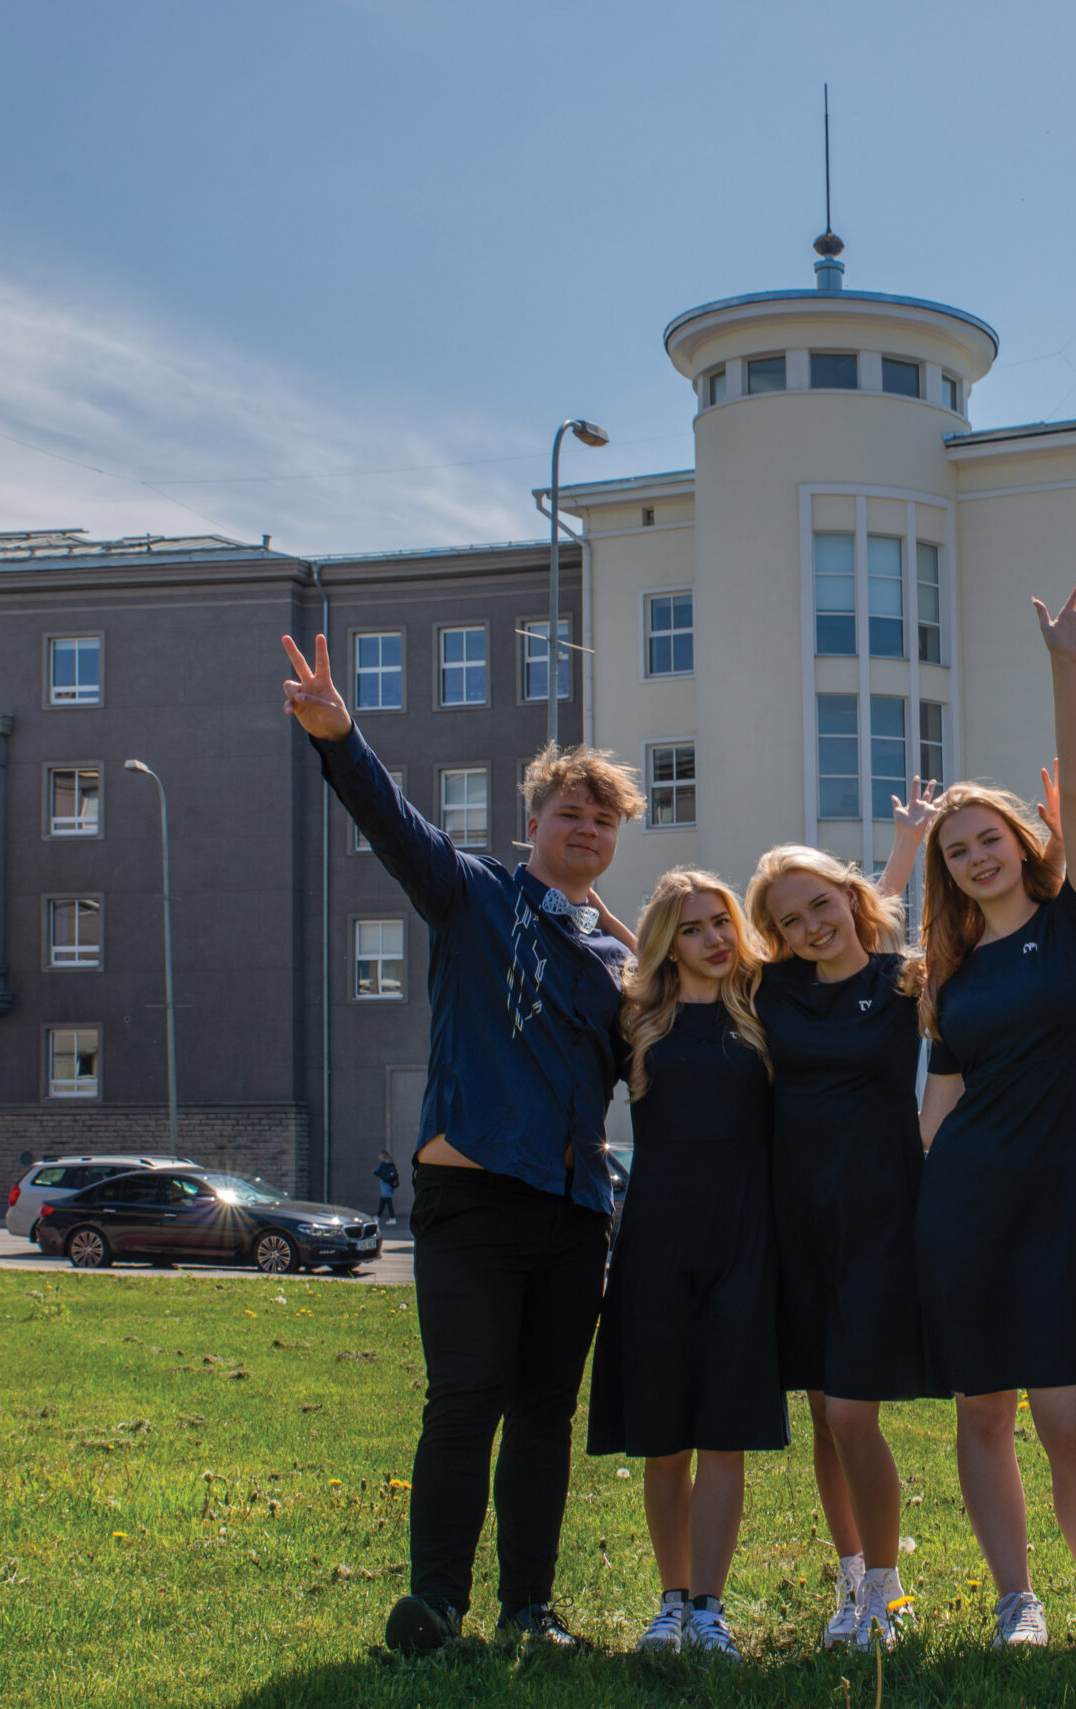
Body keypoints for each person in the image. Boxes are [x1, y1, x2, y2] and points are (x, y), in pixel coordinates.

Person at [280, 633, 642, 1658]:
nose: (585, 828)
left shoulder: (619, 961)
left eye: (602, 819)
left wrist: (638, 950)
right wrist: (340, 736)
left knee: (544, 1412)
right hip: (473, 1199)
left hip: (576, 1212)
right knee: (465, 1398)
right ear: (534, 823)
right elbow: (393, 824)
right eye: (569, 813)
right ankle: (436, 1605)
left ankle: (530, 1608)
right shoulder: (472, 891)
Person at [911, 576, 1076, 1653]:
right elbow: (939, 1104)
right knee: (984, 1412)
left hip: (1066, 1206)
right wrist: (928, 1198)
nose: (976, 855)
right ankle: (1016, 1598)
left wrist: (1066, 667)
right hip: (970, 1205)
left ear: (1021, 837)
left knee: (1068, 1419)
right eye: (956, 849)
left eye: (987, 837)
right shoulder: (952, 971)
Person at [744, 808, 933, 1652]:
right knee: (825, 1413)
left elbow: (875, 912)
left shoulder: (903, 980)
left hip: (880, 1220)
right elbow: (681, 953)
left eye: (820, 904)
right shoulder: (772, 988)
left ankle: (887, 1593)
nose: (810, 925)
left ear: (849, 897)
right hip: (796, 1223)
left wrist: (907, 850)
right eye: (789, 919)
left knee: (854, 1412)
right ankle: (852, 1574)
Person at [590, 869, 787, 1660]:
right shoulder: (637, 1020)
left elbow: (849, 934)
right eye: (694, 927)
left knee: (723, 1435)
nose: (713, 938)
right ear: (669, 942)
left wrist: (904, 851)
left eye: (722, 922)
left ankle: (710, 1608)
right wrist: (607, 917)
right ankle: (670, 1603)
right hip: (655, 1246)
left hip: (745, 1243)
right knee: (665, 1438)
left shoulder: (763, 1011)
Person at [374, 1150, 399, 1223]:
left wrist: (374, 1172)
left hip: (385, 1184)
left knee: (388, 1202)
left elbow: (380, 1172)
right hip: (390, 1184)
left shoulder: (383, 1164)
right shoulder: (391, 1163)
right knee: (383, 1201)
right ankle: (378, 1216)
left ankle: (392, 1218)